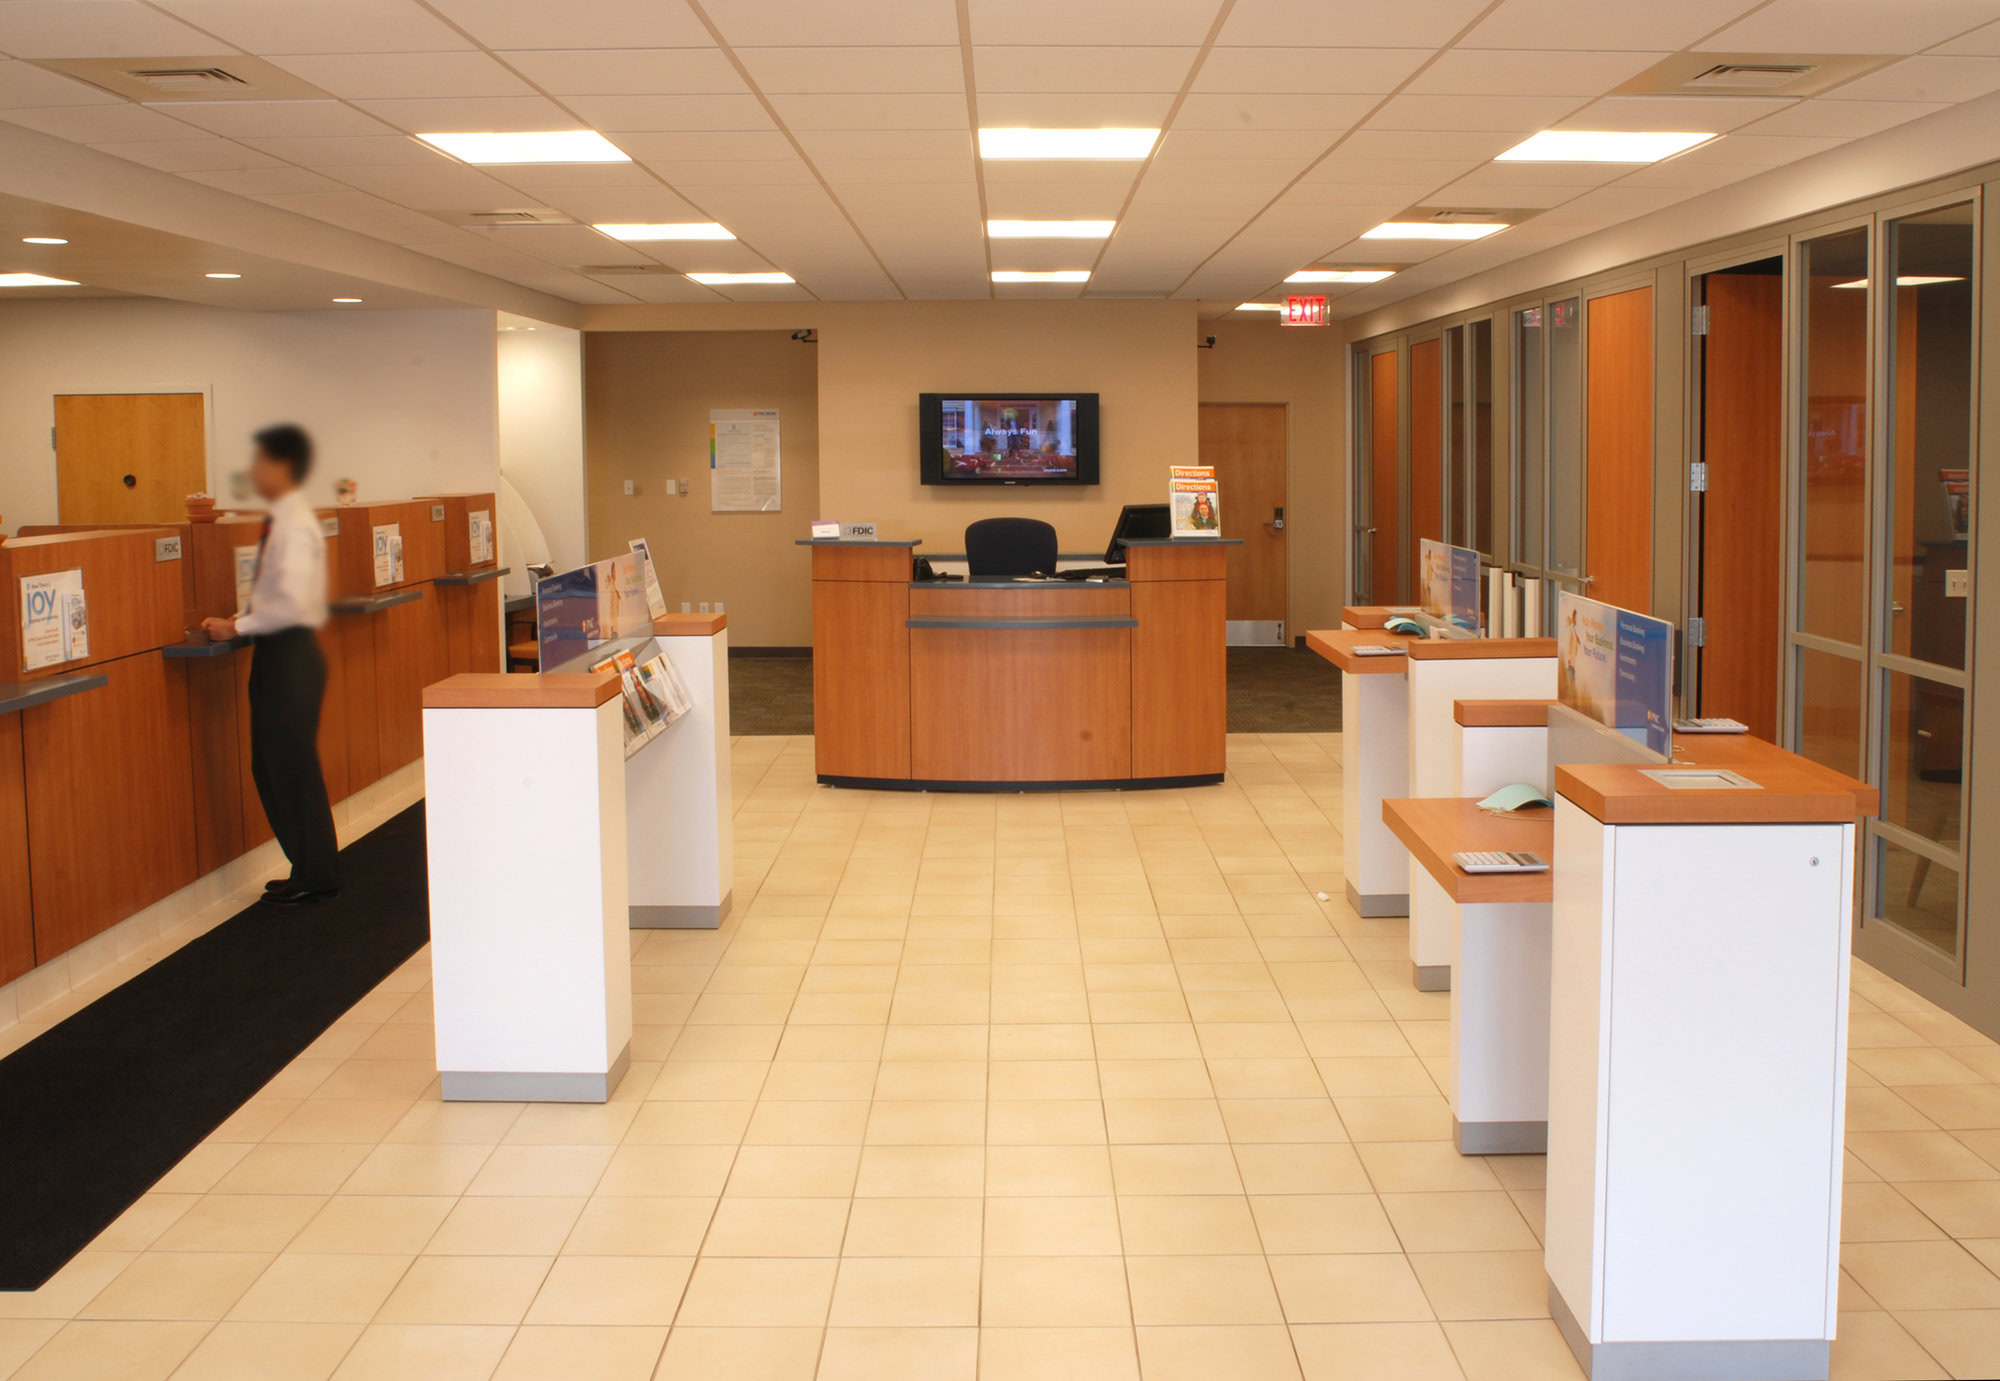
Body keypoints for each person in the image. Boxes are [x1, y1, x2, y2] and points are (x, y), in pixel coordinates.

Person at [202, 425, 341, 905]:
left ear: (281, 466)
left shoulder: (293, 524)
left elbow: (292, 604)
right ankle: (307, 866)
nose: (253, 470)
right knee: (273, 767)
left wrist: (236, 628)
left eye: (260, 461)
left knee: (290, 770)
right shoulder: (284, 519)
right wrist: (243, 617)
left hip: (291, 656)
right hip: (280, 654)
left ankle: (316, 873)